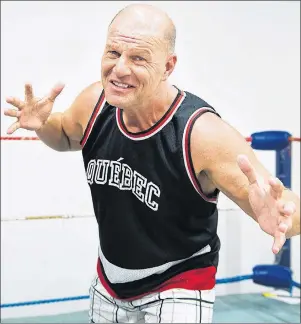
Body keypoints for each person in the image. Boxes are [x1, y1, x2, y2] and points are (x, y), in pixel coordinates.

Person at [4, 3, 300, 323]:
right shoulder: (94, 102)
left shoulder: (201, 134)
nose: (119, 69)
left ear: (168, 66)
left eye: (138, 58)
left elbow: (285, 207)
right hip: (110, 282)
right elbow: (63, 134)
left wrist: (283, 216)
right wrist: (42, 124)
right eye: (113, 52)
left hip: (179, 284)